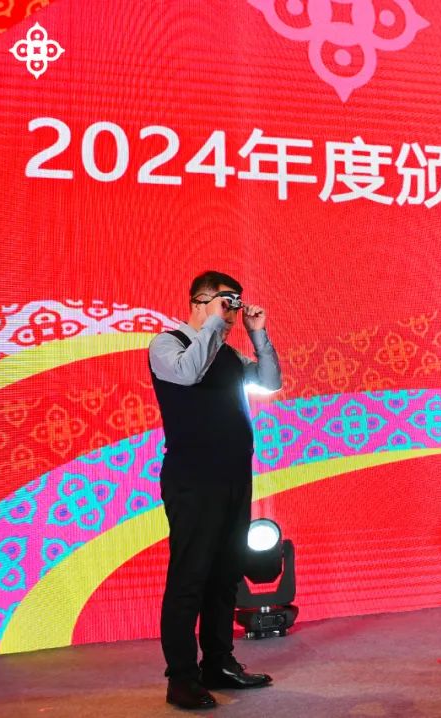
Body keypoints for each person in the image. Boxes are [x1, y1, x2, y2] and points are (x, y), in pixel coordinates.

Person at [148, 270, 282, 710]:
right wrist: (213, 324)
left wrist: (257, 335)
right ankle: (182, 677)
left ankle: (219, 663)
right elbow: (188, 375)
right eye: (226, 302)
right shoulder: (167, 345)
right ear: (199, 301)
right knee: (190, 576)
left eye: (235, 304)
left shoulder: (227, 354)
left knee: (226, 573)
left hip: (234, 475)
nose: (232, 312)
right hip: (193, 478)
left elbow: (270, 382)